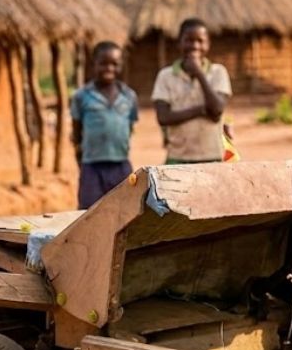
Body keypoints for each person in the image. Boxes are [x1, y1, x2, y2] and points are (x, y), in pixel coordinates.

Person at [152, 17, 237, 165]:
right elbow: (164, 117)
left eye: (200, 41)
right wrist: (201, 110)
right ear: (180, 42)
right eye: (189, 40)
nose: (195, 46)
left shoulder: (218, 72)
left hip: (212, 157)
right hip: (177, 158)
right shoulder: (165, 76)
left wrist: (199, 73)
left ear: (208, 44)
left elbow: (216, 110)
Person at [70, 41, 139, 209]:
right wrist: (82, 162)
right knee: (88, 214)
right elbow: (77, 133)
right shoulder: (81, 96)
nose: (109, 68)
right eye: (103, 63)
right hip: (92, 166)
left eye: (114, 64)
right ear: (94, 64)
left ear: (121, 65)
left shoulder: (129, 96)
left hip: (121, 165)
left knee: (125, 211)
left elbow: (129, 129)